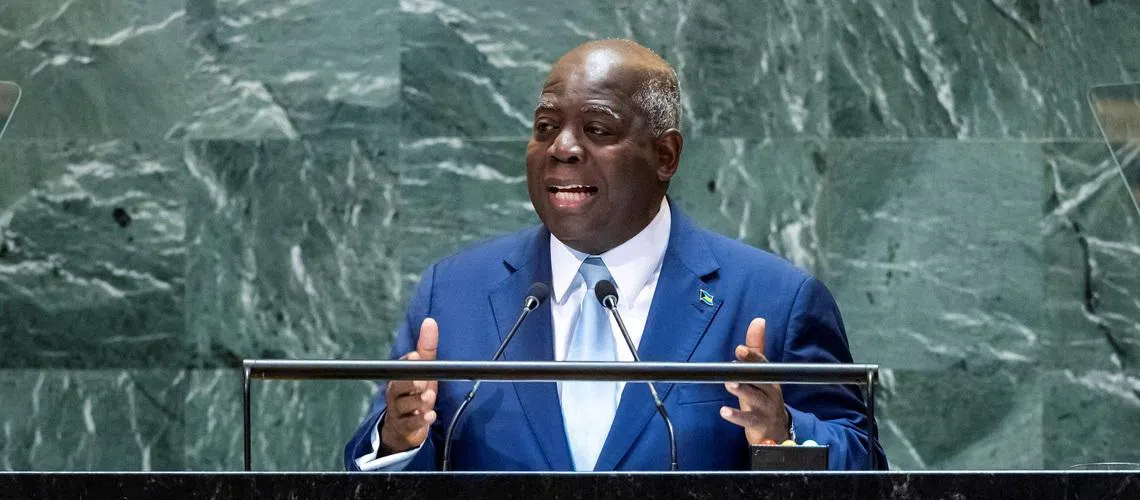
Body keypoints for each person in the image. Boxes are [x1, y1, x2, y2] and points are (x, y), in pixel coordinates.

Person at [345, 39, 884, 472]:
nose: (562, 148)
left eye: (597, 129)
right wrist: (398, 439)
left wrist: (783, 433)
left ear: (665, 155)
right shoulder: (452, 294)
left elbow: (866, 472)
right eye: (545, 128)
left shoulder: (774, 300)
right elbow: (373, 484)